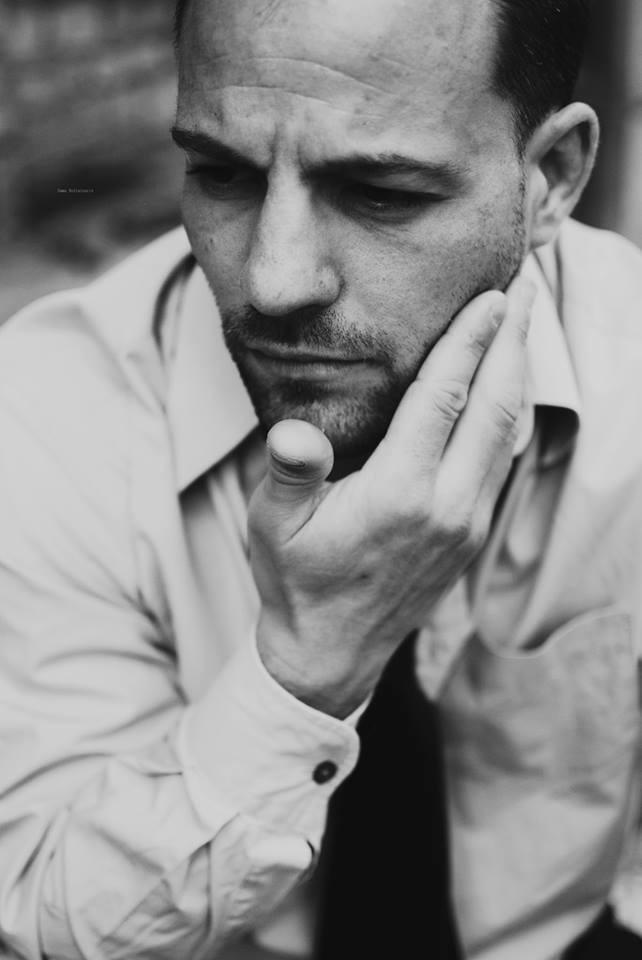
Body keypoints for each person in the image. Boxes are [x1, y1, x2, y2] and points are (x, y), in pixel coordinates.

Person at [1, 0, 641, 957]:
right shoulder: (48, 414)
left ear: (550, 177)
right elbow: (45, 919)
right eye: (223, 174)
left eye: (380, 192)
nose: (274, 280)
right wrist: (310, 661)